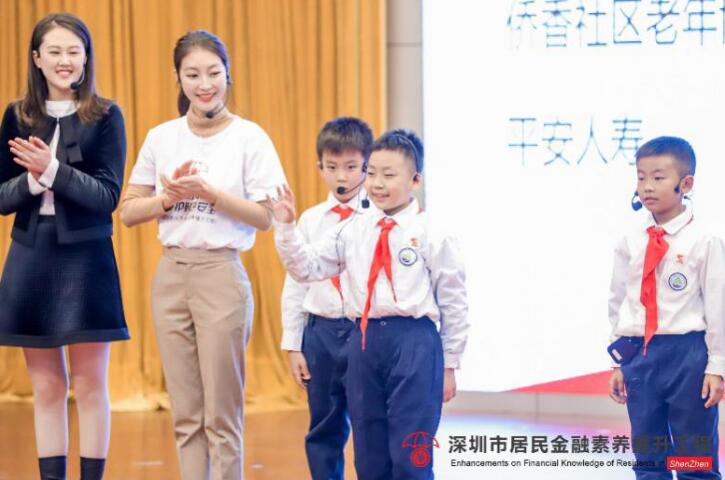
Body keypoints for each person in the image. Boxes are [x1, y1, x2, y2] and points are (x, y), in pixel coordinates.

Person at [120, 30, 286, 480]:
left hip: (221, 274)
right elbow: (128, 212)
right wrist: (166, 199)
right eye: (192, 74)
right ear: (177, 78)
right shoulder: (162, 137)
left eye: (213, 73)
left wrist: (212, 195)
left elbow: (266, 217)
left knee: (222, 416)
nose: (204, 84)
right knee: (185, 413)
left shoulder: (249, 137)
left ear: (228, 74)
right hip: (171, 274)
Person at [270, 129, 468, 479]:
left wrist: (450, 364)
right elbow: (307, 269)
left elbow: (453, 303)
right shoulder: (353, 229)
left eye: (388, 175)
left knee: (410, 453)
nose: (376, 183)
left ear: (415, 180)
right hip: (363, 340)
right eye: (372, 173)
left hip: (414, 342)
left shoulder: (432, 232)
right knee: (369, 455)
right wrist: (286, 228)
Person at [0, 12, 128, 480]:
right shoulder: (17, 116)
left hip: (88, 259)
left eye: (74, 51)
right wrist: (33, 183)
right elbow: (1, 196)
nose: (65, 60)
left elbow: (107, 196)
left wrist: (53, 171)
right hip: (31, 256)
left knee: (91, 386)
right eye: (54, 51)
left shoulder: (106, 115)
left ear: (86, 57)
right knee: (47, 387)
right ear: (36, 58)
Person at [608, 136, 725, 479]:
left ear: (685, 184)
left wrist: (717, 366)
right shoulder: (630, 238)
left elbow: (718, 305)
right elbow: (619, 302)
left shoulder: (704, 238)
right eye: (641, 177)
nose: (647, 186)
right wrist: (618, 361)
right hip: (639, 354)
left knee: (693, 457)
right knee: (648, 456)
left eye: (658, 177)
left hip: (687, 355)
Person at [280, 116, 373, 479]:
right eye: (332, 167)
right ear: (319, 167)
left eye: (351, 167)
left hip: (364, 332)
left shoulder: (377, 217)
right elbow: (295, 285)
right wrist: (293, 345)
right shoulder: (310, 219)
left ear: (367, 166)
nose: (341, 176)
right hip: (320, 334)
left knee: (369, 424)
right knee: (324, 425)